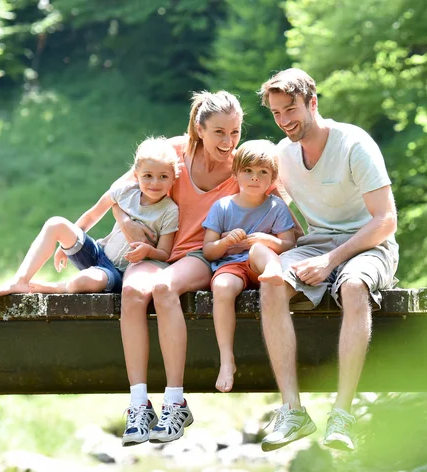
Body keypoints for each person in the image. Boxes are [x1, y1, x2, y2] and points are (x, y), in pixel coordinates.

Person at [110, 91, 295, 447]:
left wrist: (283, 250)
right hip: (155, 251)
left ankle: (175, 401)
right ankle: (138, 405)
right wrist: (127, 225)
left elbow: (284, 219)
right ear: (199, 128)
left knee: (163, 288)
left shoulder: (245, 166)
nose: (229, 142)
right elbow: (117, 192)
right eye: (220, 133)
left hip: (199, 257)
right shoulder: (174, 152)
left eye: (236, 132)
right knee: (132, 293)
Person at [257, 68, 399, 452]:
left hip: (370, 245)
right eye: (276, 113)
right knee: (270, 284)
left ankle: (342, 415)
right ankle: (292, 411)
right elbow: (257, 195)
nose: (284, 120)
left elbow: (386, 220)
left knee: (353, 287)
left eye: (291, 109)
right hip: (315, 244)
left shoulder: (355, 144)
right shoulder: (282, 155)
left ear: (312, 103)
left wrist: (331, 261)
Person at [0, 137, 180, 296]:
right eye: (148, 175)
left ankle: (58, 287)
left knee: (86, 281)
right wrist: (70, 241)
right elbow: (92, 215)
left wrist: (148, 250)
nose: (155, 182)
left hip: (119, 273)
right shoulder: (124, 192)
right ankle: (20, 281)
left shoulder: (169, 210)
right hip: (98, 253)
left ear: (174, 177)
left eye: (163, 176)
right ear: (136, 174)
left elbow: (164, 254)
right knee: (56, 224)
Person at [202, 139, 297, 393]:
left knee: (257, 248)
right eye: (248, 171)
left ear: (272, 178)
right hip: (233, 267)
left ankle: (274, 270)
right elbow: (208, 251)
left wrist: (269, 240)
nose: (254, 178)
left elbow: (290, 244)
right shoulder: (223, 207)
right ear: (236, 173)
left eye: (262, 172)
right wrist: (224, 241)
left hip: (263, 265)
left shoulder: (276, 206)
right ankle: (226, 358)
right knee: (221, 287)